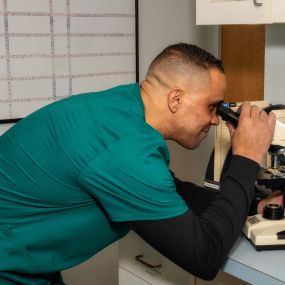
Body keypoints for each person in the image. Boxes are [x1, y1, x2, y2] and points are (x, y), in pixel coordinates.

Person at [0, 43, 280, 285]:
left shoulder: (124, 108)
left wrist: (255, 206)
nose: (216, 119)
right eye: (212, 106)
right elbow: (205, 256)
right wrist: (246, 158)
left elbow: (171, 191)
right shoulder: (124, 149)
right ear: (176, 99)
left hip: (27, 264)